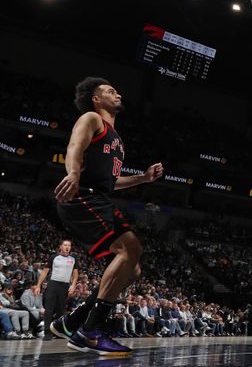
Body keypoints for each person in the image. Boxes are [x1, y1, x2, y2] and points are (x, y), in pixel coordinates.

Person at [50, 77, 164, 356]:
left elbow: (112, 182)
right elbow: (74, 146)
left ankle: (73, 322)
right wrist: (74, 173)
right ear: (96, 99)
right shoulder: (91, 118)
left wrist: (143, 178)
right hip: (82, 196)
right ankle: (89, 332)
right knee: (131, 248)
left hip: (98, 196)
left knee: (131, 268)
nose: (118, 94)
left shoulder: (116, 137)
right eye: (110, 91)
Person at [34, 239, 77, 340]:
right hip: (53, 284)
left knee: (61, 311)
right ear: (60, 247)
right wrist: (38, 285)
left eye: (69, 245)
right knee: (49, 310)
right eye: (65, 245)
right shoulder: (54, 257)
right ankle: (47, 333)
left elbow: (75, 275)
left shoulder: (73, 259)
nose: (67, 247)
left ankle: (58, 332)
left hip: (65, 286)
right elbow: (44, 272)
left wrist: (73, 285)